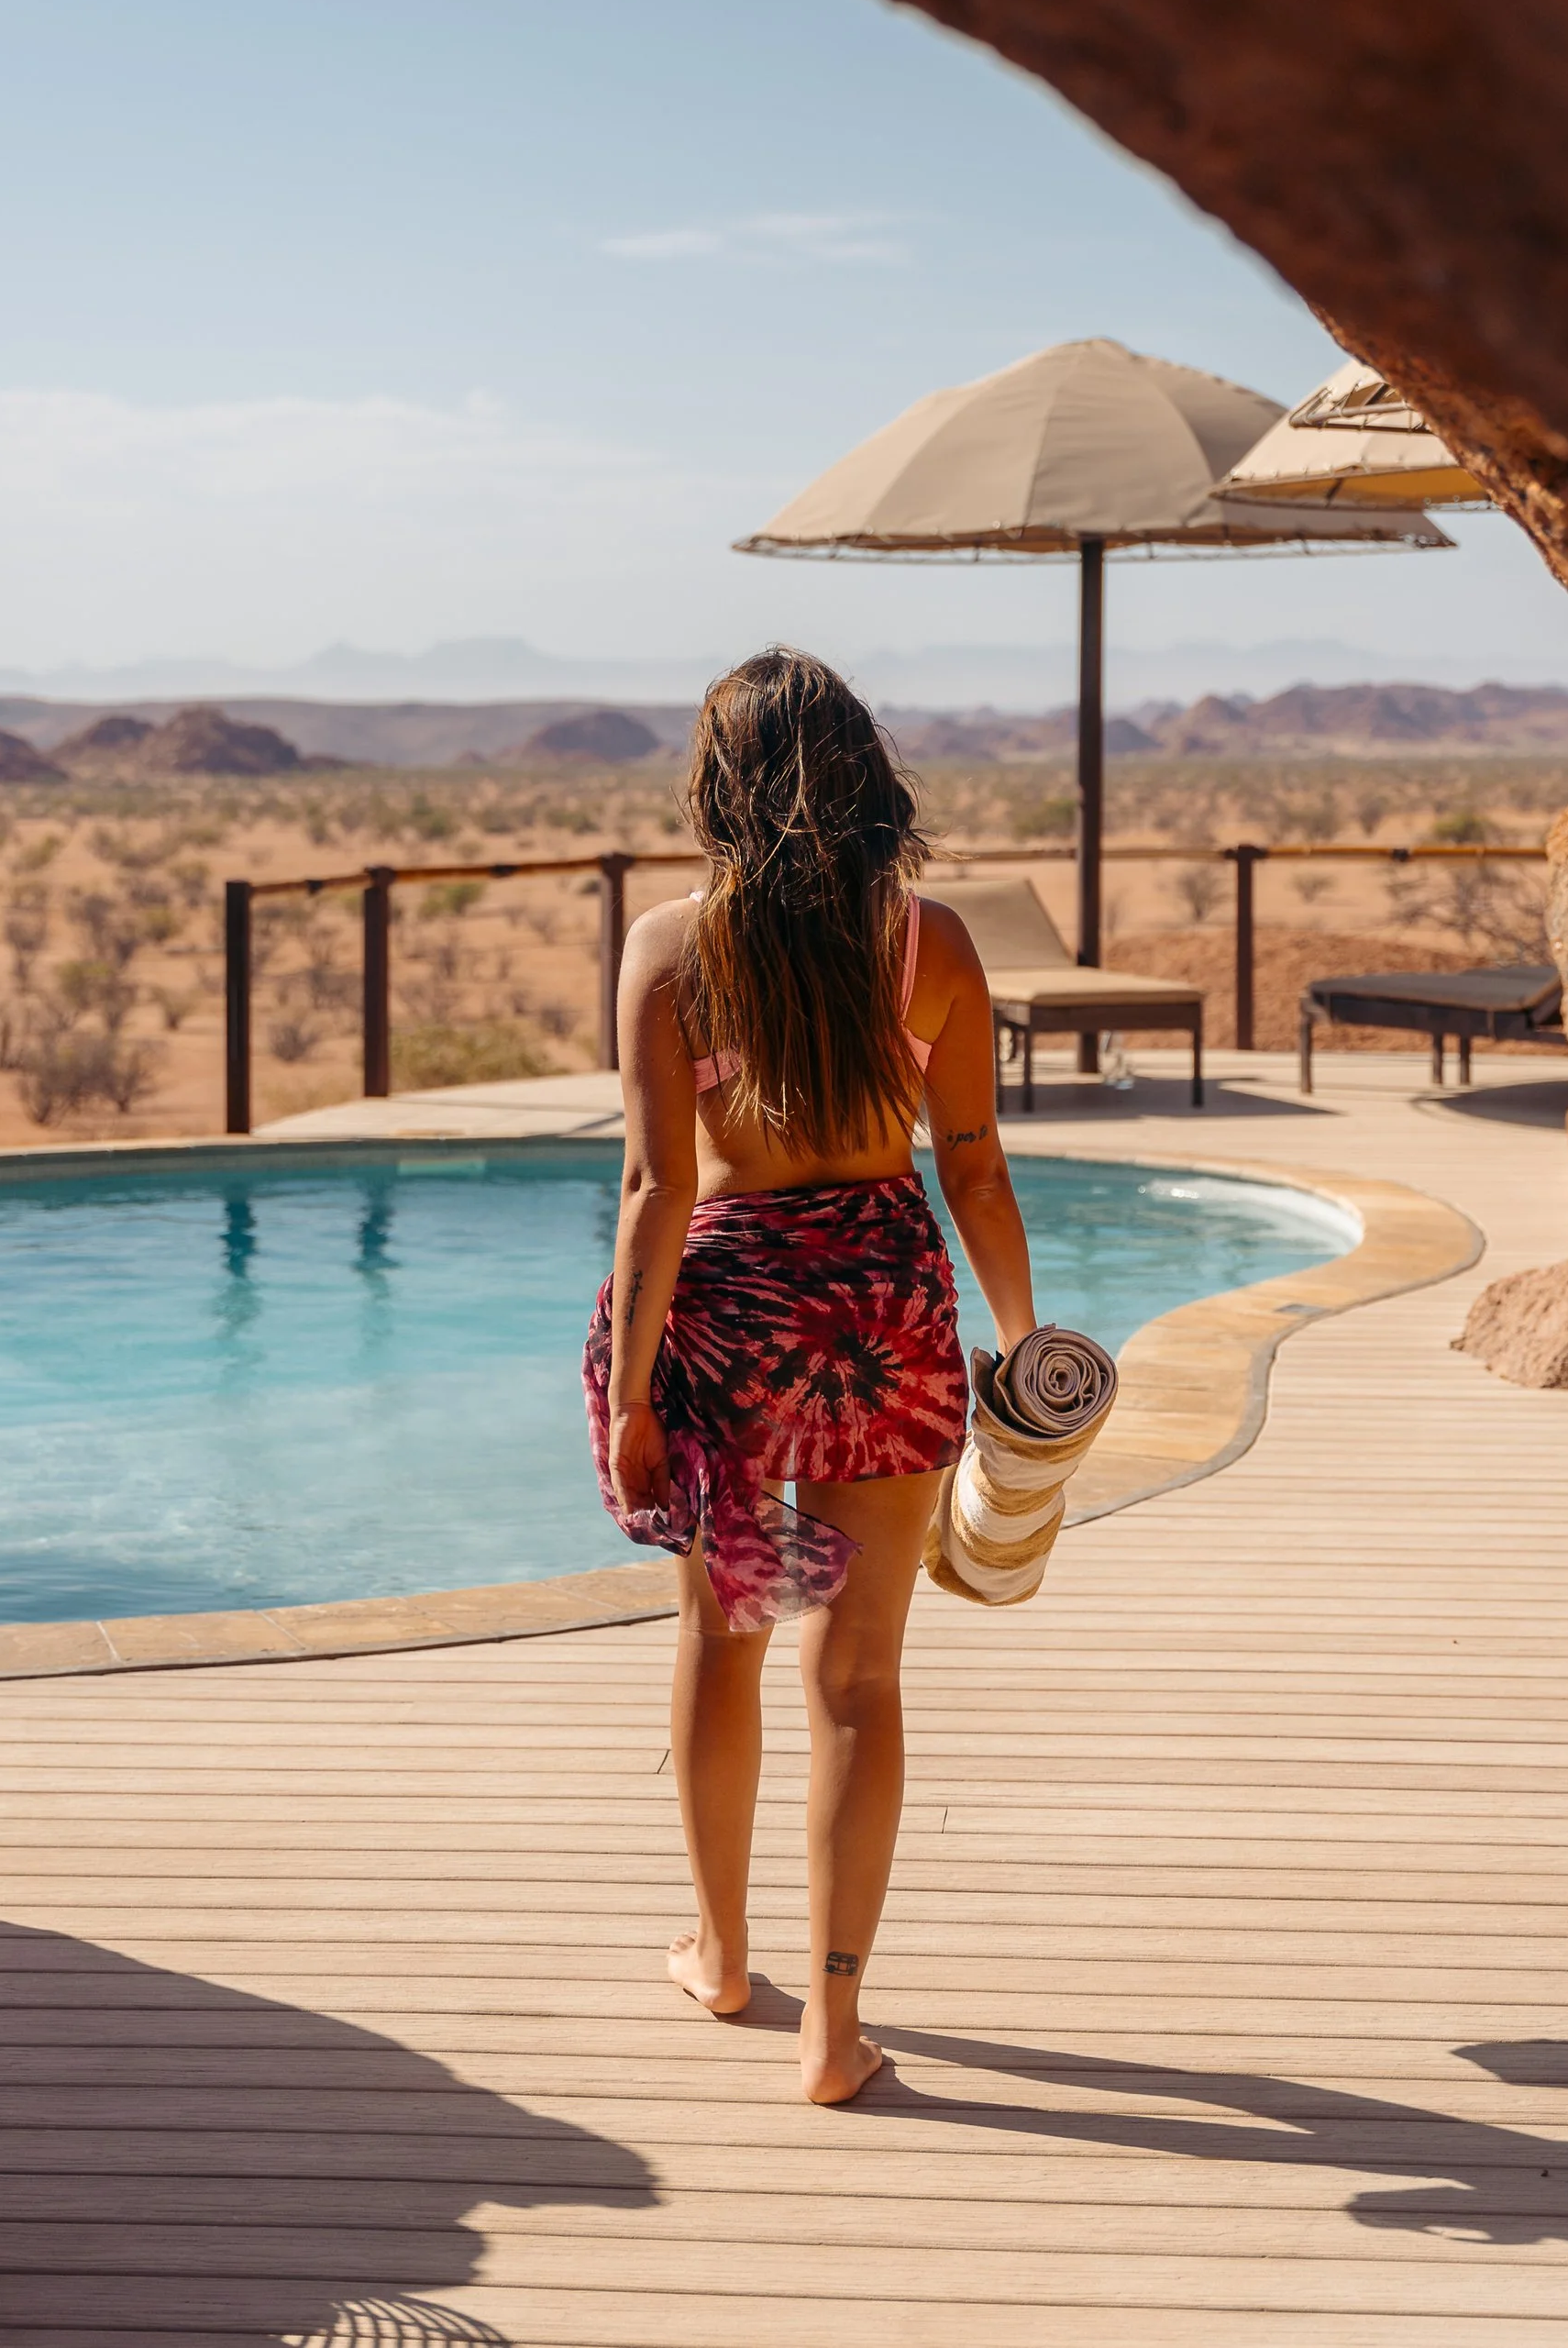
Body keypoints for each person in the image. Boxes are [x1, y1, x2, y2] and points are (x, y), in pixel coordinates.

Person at [582, 648, 1035, 2106]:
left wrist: (633, 1393)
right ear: (861, 777)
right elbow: (971, 1164)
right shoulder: (933, 943)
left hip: (733, 1321)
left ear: (719, 787)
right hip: (886, 1309)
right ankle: (834, 2033)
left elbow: (659, 1186)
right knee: (862, 1677)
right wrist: (1026, 1342)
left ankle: (721, 1957)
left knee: (726, 1639)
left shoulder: (672, 946)